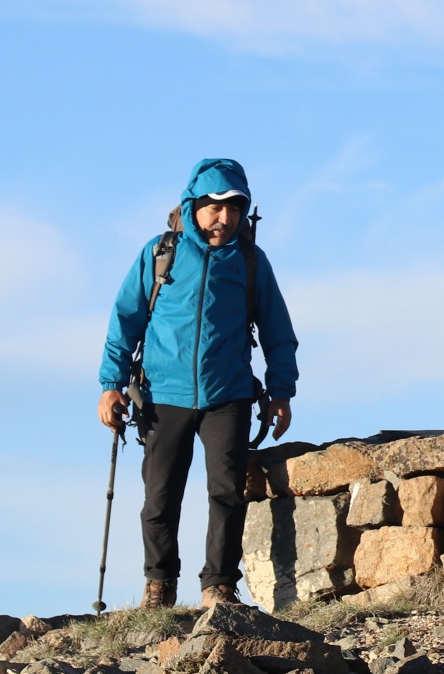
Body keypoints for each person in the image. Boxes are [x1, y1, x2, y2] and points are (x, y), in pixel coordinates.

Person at [97, 158, 298, 609]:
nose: (224, 219)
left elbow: (277, 330)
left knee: (226, 491)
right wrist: (111, 384)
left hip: (228, 393)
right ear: (193, 206)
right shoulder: (160, 252)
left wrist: (281, 391)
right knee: (160, 495)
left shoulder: (250, 261)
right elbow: (125, 319)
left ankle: (219, 586)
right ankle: (159, 585)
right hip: (161, 395)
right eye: (214, 208)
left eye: (234, 210)